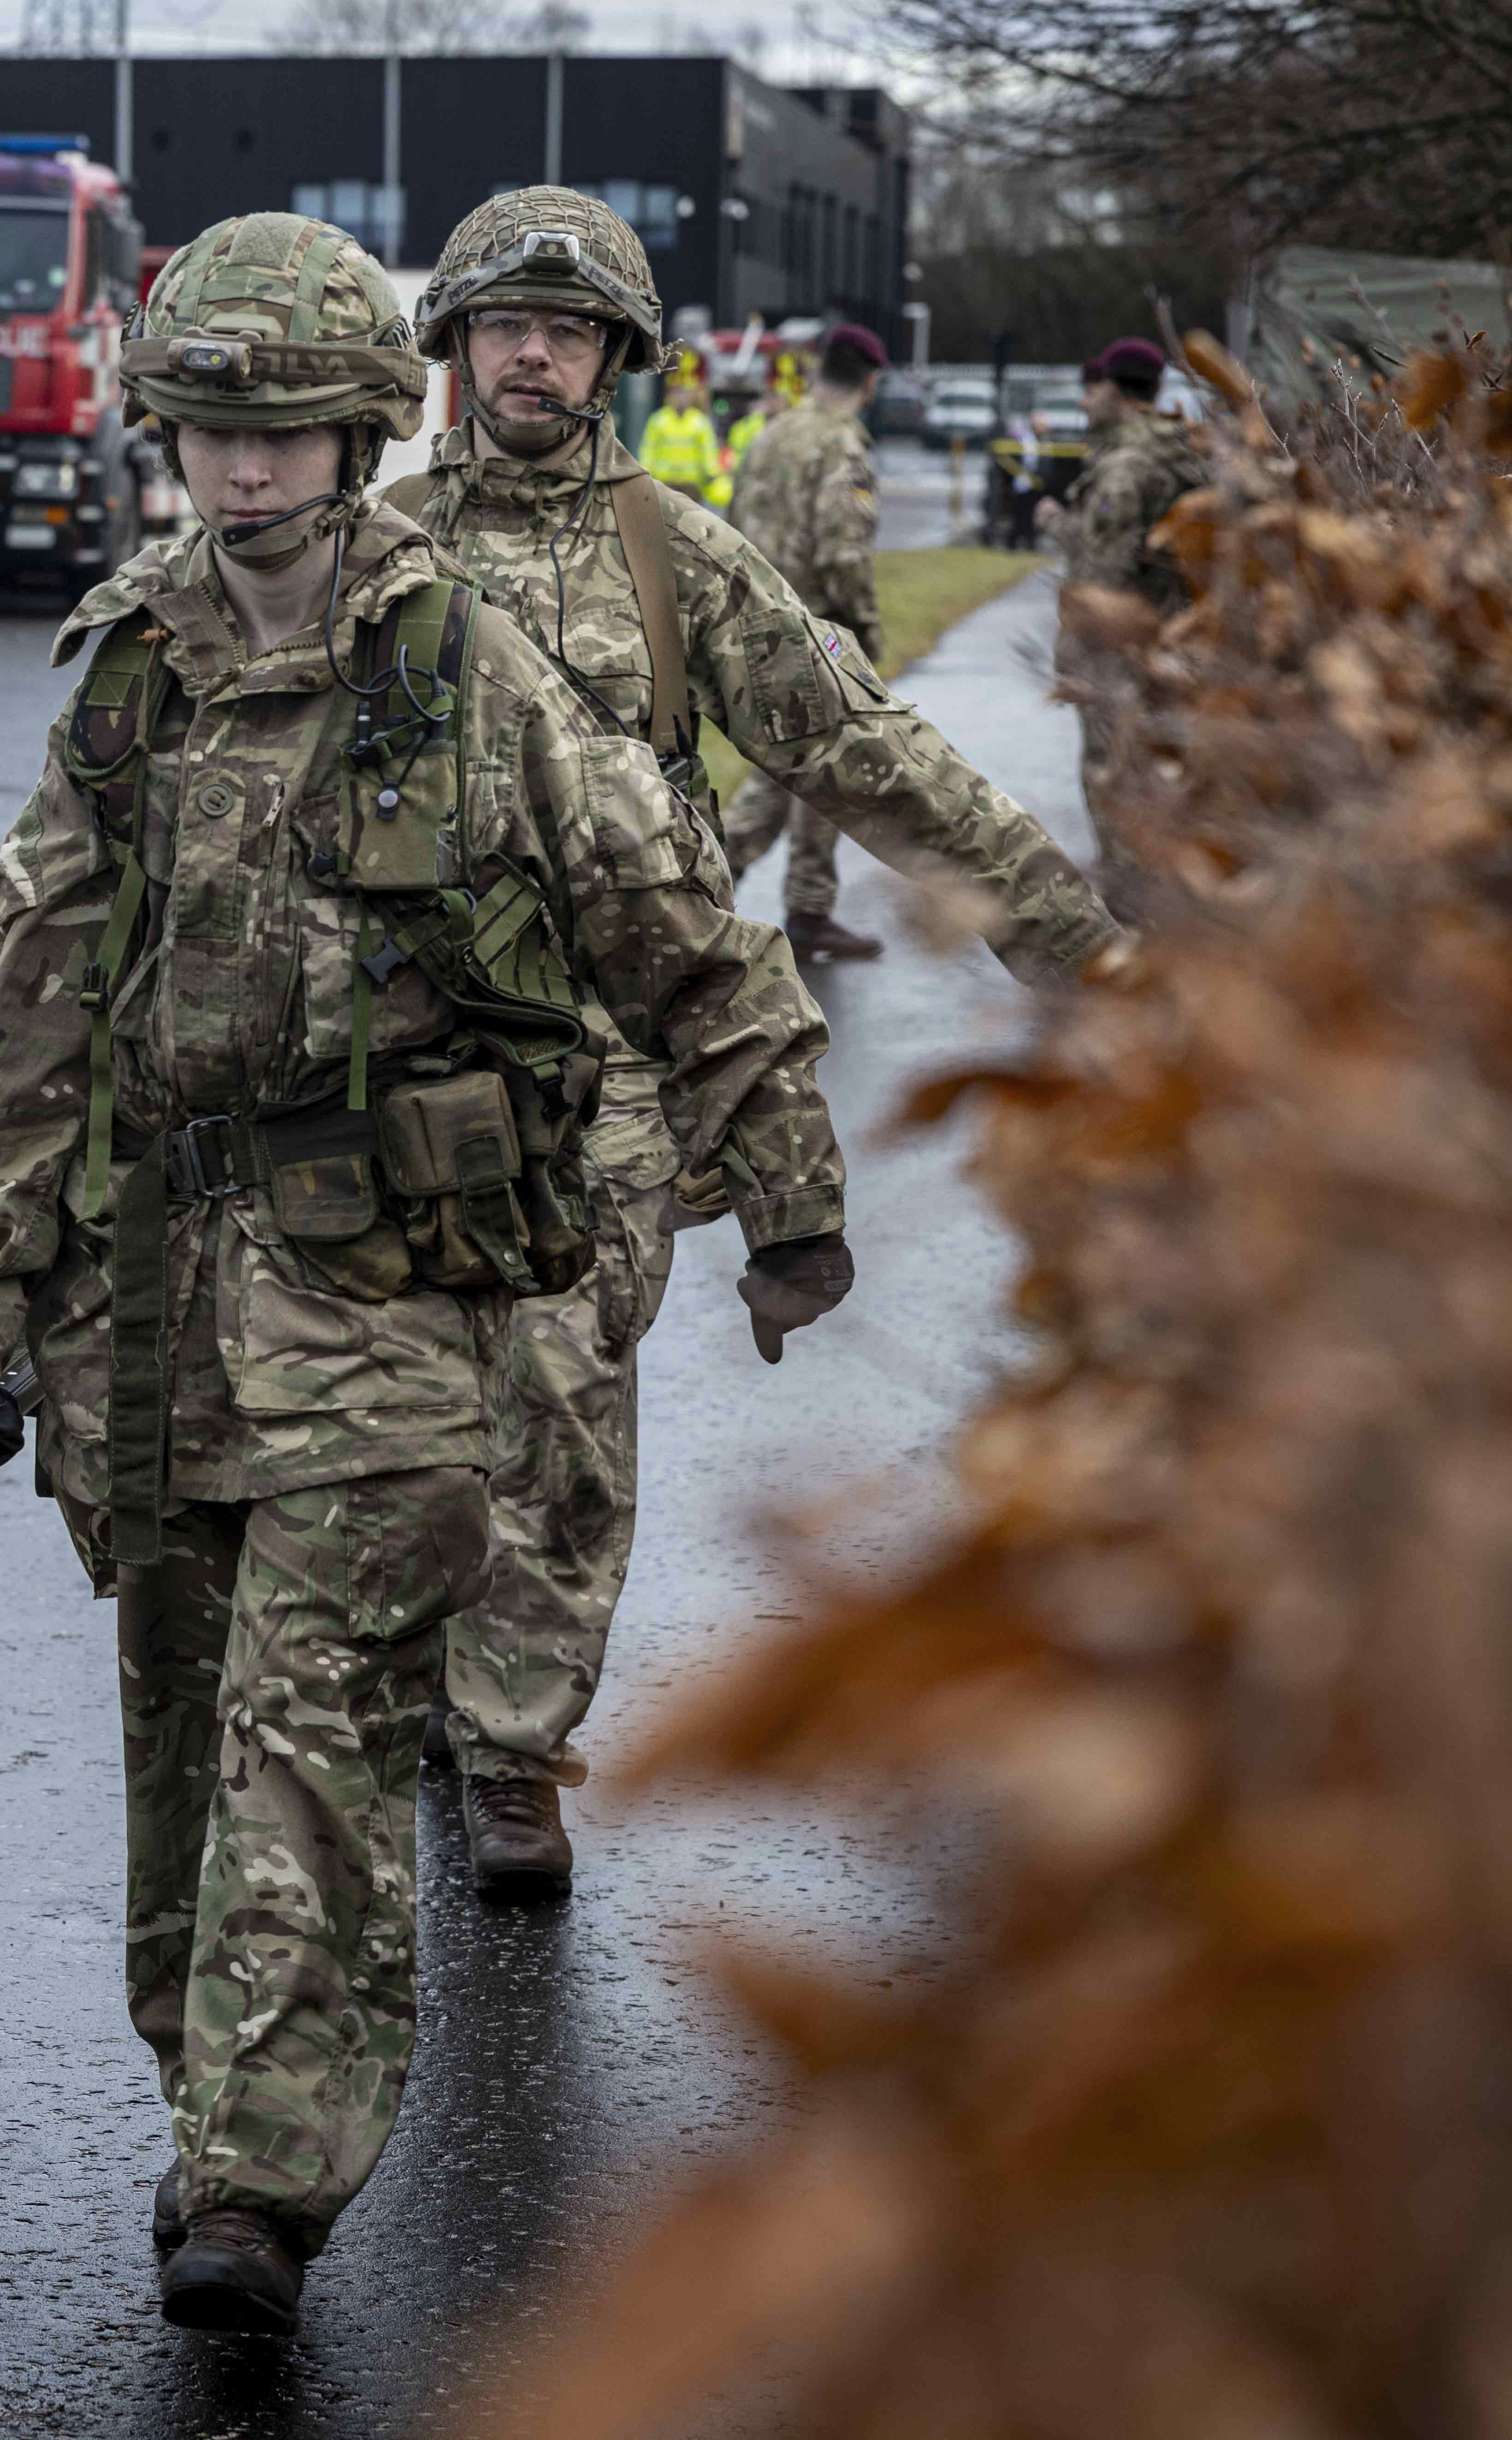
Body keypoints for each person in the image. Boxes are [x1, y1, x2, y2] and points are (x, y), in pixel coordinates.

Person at [0, 210, 851, 2338]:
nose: (245, 475)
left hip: (385, 1293)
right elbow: (33, 999)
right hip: (153, 1299)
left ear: (361, 432)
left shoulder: (469, 669)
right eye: (209, 436)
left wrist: (786, 1186)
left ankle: (267, 2176)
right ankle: (210, 2092)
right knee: (178, 1725)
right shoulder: (132, 668)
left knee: (319, 1720)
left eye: (289, 435)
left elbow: (683, 936)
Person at [390, 189, 1123, 1898]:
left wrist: (1071, 945)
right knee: (407, 1414)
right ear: (448, 344)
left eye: (566, 329)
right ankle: (429, 1669)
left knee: (562, 1398)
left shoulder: (674, 555)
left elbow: (871, 759)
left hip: (598, 1069)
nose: (530, 352)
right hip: (383, 1062)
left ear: (616, 359)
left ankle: (509, 1738)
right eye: (502, 322)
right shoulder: (373, 552)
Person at [722, 319, 894, 954]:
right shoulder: (842, 448)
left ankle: (719, 881)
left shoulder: (771, 435)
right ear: (871, 382)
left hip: (757, 629)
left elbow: (733, 527)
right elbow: (844, 555)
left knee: (789, 765)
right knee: (827, 770)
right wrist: (868, 636)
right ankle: (802, 905)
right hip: (820, 636)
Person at [1061, 335, 1211, 920]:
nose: (1084, 403)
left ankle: (1129, 911)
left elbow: (1102, 573)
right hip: (1172, 636)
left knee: (1112, 771)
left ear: (1114, 390)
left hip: (1117, 649)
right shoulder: (1181, 451)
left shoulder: (1127, 464)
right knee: (1158, 768)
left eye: (1091, 389)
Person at [637, 351, 731, 507]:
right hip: (664, 483)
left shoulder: (699, 422)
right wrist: (645, 474)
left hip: (692, 485)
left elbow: (708, 450)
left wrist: (712, 474)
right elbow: (649, 449)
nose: (681, 398)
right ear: (670, 396)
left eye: (685, 394)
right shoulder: (659, 420)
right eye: (677, 394)